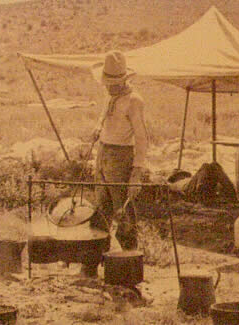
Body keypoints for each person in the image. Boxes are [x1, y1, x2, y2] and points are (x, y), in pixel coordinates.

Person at [80, 50, 149, 278]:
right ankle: (90, 265)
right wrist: (97, 130)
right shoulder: (111, 97)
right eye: (107, 82)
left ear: (123, 80)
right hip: (103, 155)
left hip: (122, 159)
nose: (109, 86)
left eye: (114, 83)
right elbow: (105, 117)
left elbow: (141, 138)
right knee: (100, 213)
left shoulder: (134, 101)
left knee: (124, 213)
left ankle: (130, 270)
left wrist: (136, 174)